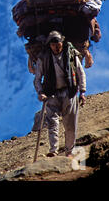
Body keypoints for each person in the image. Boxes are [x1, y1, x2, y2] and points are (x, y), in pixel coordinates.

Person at [33, 30, 86, 158]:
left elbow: (80, 72)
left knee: (70, 124)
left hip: (70, 92)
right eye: (53, 44)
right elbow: (37, 78)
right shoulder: (44, 58)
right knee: (52, 123)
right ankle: (53, 150)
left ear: (62, 42)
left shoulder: (71, 54)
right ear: (49, 45)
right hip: (51, 94)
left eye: (58, 43)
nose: (56, 47)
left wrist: (82, 91)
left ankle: (69, 151)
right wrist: (40, 92)